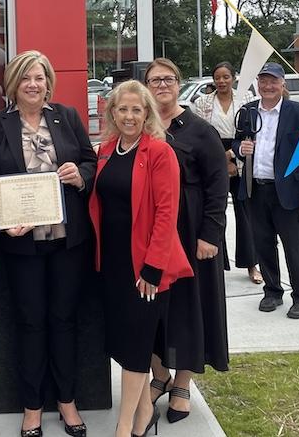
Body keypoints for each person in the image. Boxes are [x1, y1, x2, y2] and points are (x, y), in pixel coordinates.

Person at [0, 51, 97, 437]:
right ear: (14, 83)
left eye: (40, 77)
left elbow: (89, 161)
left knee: (63, 321)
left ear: (49, 82)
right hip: (22, 244)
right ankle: (32, 406)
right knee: (30, 323)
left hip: (67, 241)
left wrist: (78, 175)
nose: (34, 84)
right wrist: (2, 222)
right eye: (26, 77)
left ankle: (66, 401)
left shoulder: (68, 117)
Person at [89, 80, 192, 437]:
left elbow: (167, 212)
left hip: (145, 268)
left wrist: (152, 266)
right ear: (112, 113)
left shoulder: (160, 153)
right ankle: (146, 412)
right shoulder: (104, 150)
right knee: (122, 341)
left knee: (135, 348)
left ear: (146, 112)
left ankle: (124, 427)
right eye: (123, 109)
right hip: (112, 265)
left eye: (137, 109)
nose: (130, 116)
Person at [142, 59, 229, 423]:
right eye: (154, 80)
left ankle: (181, 384)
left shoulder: (199, 130)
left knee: (189, 311)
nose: (162, 85)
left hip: (191, 234)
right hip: (148, 236)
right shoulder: (139, 126)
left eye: (168, 79)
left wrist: (210, 234)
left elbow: (217, 185)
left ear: (179, 84)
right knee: (151, 310)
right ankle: (158, 376)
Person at [234, 62, 299, 320]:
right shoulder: (248, 111)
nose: (268, 86)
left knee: (294, 247)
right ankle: (272, 291)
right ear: (258, 84)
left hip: (289, 192)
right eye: (264, 81)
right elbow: (239, 140)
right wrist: (240, 148)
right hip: (255, 189)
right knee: (263, 245)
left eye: (273, 81)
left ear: (282, 84)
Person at [191, 61, 262, 285]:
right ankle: (216, 263)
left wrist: (232, 156)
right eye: (217, 77)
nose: (221, 81)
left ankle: (252, 264)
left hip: (242, 156)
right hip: (211, 159)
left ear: (234, 78)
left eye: (226, 77)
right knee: (214, 211)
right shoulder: (202, 102)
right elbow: (199, 135)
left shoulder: (247, 100)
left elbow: (253, 131)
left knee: (246, 215)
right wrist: (220, 160)